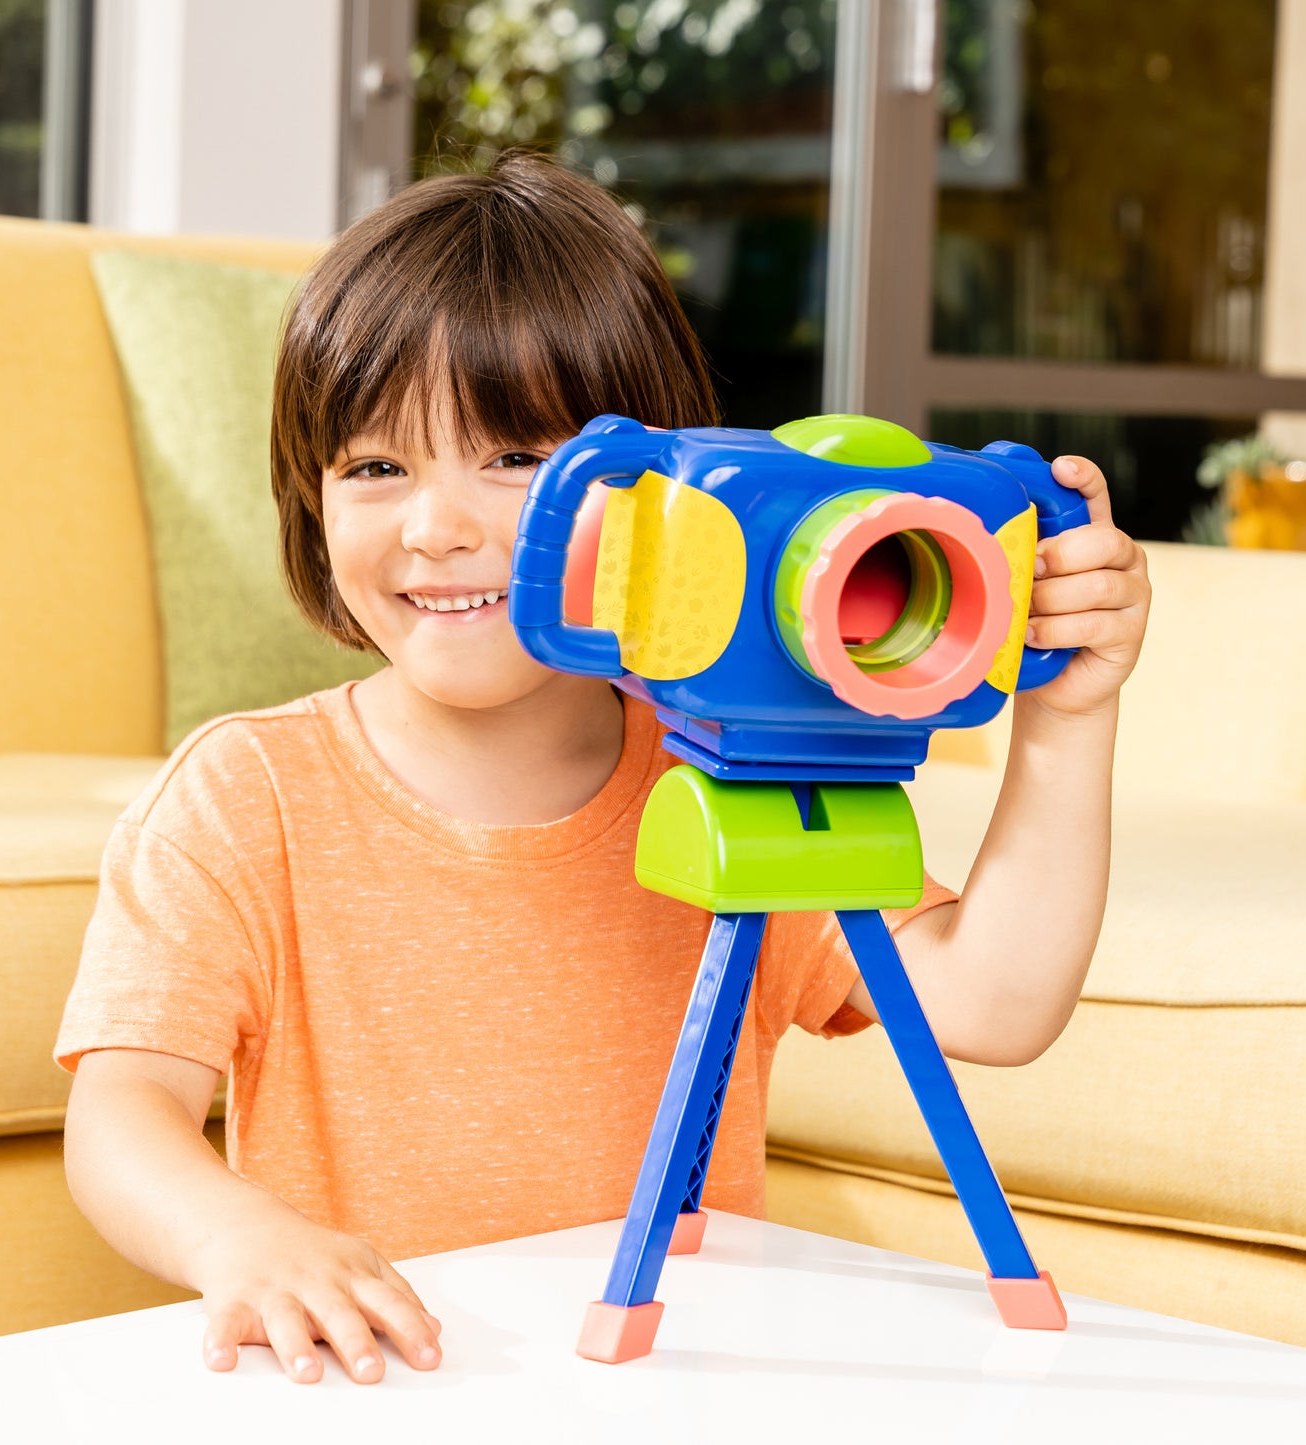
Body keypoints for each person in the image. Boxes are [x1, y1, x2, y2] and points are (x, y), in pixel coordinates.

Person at [56, 151, 1150, 1388]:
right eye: (374, 467)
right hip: (381, 1384)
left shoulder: (737, 776)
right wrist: (237, 1236)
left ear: (658, 493)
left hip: (658, 1385)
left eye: (515, 459)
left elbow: (993, 1006)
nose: (435, 526)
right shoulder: (243, 795)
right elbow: (122, 1114)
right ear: (310, 500)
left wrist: (1068, 718)